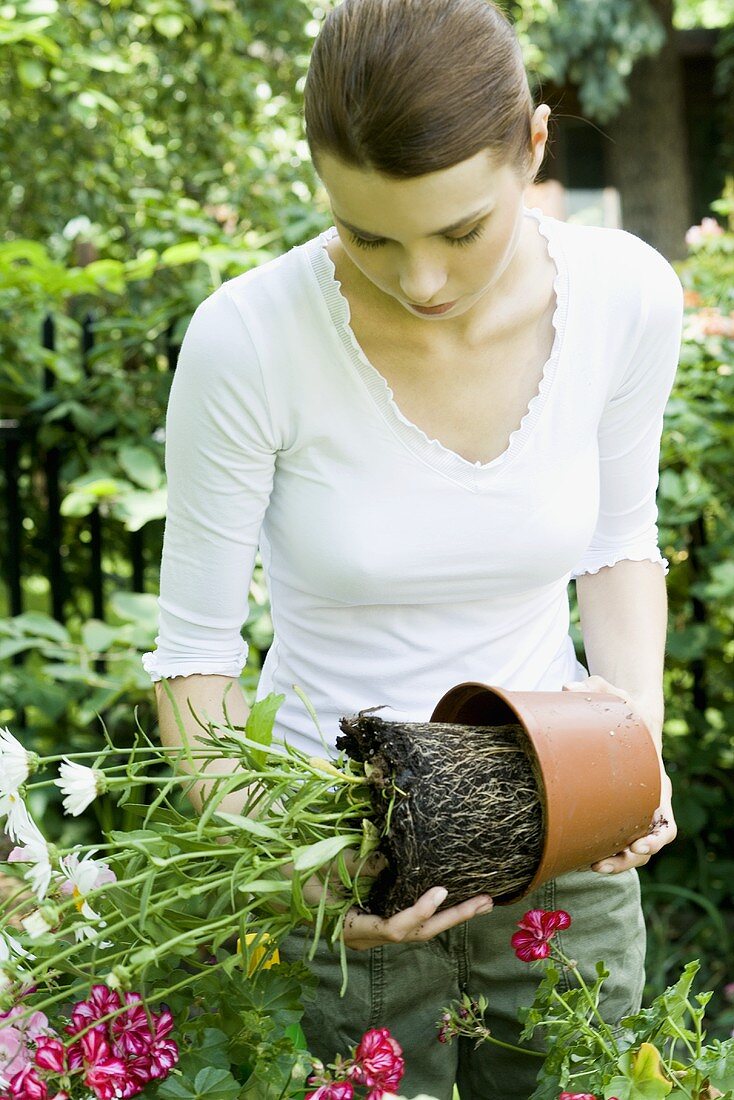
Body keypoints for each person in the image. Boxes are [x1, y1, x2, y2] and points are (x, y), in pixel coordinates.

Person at [142, 0, 682, 1095]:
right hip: (335, 853)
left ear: (533, 144)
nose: (421, 279)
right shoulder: (248, 338)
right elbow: (193, 657)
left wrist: (635, 739)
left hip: (561, 828)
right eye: (369, 234)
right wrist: (291, 873)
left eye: (459, 230)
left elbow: (619, 544)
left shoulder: (624, 296)